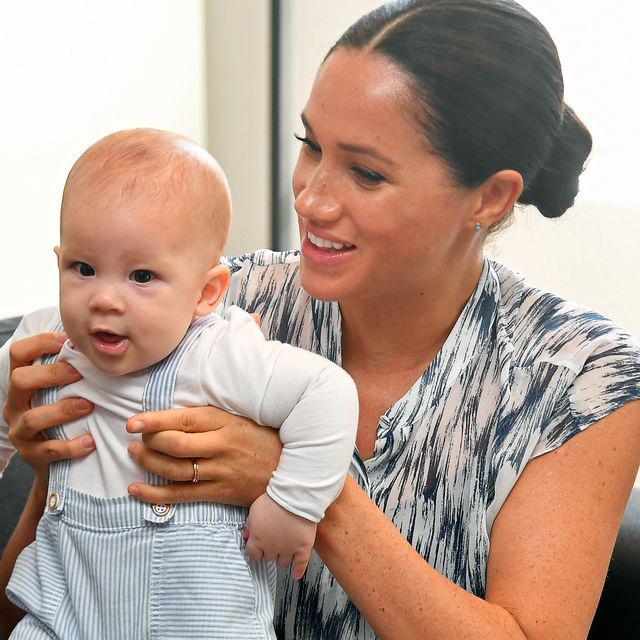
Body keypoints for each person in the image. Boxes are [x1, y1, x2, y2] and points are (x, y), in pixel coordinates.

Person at [2, 0, 640, 638]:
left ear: (491, 196)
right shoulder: (217, 302)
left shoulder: (580, 378)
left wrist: (306, 493)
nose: (310, 198)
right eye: (311, 146)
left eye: (365, 172)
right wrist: (63, 465)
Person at [0, 129, 358, 639]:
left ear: (206, 293)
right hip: (65, 616)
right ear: (59, 262)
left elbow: (326, 392)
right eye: (84, 268)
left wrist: (291, 505)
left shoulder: (217, 353)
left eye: (141, 276)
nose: (105, 299)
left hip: (198, 621)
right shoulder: (44, 340)